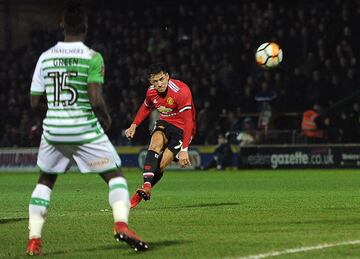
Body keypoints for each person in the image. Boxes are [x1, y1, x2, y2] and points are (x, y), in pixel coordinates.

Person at [25, 3, 148, 255]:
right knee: (115, 176)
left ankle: (34, 240)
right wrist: (105, 117)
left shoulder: (45, 57)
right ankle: (121, 225)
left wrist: (58, 110)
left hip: (53, 130)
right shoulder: (92, 57)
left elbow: (35, 101)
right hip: (84, 128)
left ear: (62, 25)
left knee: (46, 180)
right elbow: (95, 98)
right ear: (86, 26)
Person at [125, 63, 196, 208]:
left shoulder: (181, 91)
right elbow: (146, 106)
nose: (159, 84)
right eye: (155, 81)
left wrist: (184, 150)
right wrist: (134, 124)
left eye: (162, 79)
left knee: (161, 165)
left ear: (168, 77)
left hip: (183, 128)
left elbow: (189, 121)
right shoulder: (151, 92)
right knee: (155, 143)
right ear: (151, 82)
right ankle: (145, 188)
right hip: (165, 122)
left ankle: (142, 191)